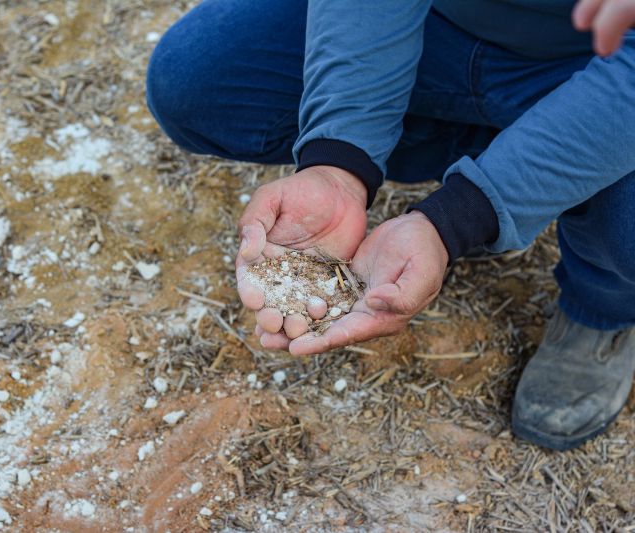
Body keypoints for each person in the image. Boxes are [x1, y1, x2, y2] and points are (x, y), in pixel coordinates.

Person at [145, 0, 635, 451]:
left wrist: (462, 215)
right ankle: (513, 148)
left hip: (604, 57)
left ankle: (602, 307)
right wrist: (340, 160)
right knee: (198, 78)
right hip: (440, 22)